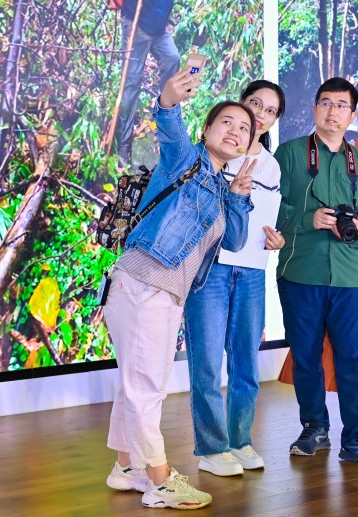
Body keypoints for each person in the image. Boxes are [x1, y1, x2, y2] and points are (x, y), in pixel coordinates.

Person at [103, 66, 256, 510]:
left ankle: (126, 468)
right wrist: (168, 99)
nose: (235, 131)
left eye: (244, 128)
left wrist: (239, 196)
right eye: (226, 121)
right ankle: (160, 480)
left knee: (134, 384)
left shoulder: (223, 190)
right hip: (143, 282)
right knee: (147, 387)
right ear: (206, 129)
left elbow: (235, 241)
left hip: (165, 293)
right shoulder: (184, 160)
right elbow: (169, 122)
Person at [274, 77, 358, 467]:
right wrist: (308, 219)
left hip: (348, 276)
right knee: (306, 355)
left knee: (354, 356)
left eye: (341, 105)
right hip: (300, 271)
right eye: (325, 102)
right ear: (314, 108)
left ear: (352, 115)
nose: (332, 111)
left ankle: (357, 437)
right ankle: (314, 429)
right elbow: (270, 206)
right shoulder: (290, 153)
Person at [184, 80, 286, 477]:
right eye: (254, 104)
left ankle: (240, 441)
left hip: (252, 270)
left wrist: (276, 239)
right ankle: (212, 448)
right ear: (240, 105)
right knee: (208, 363)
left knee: (245, 362)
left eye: (270, 111)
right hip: (210, 268)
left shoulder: (272, 166)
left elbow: (267, 219)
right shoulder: (215, 154)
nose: (260, 115)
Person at [114, 0, 219, 167]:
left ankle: (163, 119)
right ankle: (123, 149)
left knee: (172, 59)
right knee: (131, 84)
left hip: (158, 29)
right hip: (136, 26)